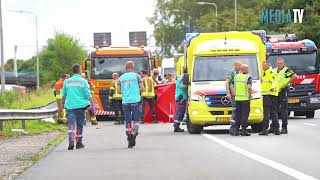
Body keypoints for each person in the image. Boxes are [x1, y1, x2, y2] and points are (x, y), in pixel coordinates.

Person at [62, 64, 92, 150]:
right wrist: (91, 104)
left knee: (71, 124)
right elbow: (88, 94)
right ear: (80, 71)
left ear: (73, 71)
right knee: (79, 124)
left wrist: (63, 104)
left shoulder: (67, 81)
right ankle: (78, 143)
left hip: (70, 106)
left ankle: (71, 140)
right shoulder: (83, 81)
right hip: (80, 106)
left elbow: (63, 94)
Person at [118, 61, 144, 148]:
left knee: (128, 121)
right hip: (135, 101)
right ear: (133, 67)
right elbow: (142, 89)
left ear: (126, 68)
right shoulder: (137, 76)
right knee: (136, 120)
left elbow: (118, 91)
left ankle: (129, 137)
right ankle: (134, 132)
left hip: (125, 102)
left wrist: (126, 93)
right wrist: (136, 92)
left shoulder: (121, 78)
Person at [268, 58, 297, 134]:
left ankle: (284, 128)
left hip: (282, 92)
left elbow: (294, 76)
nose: (279, 65)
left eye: (280, 63)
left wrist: (286, 85)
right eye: (278, 63)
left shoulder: (286, 70)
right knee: (274, 110)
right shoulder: (274, 70)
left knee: (283, 110)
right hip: (275, 92)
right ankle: (273, 127)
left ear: (283, 64)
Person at [259, 60, 280, 136]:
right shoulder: (266, 72)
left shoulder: (270, 72)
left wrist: (272, 87)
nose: (263, 66)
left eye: (264, 65)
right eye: (262, 65)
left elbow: (274, 81)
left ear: (268, 65)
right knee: (273, 112)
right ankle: (277, 129)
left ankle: (265, 129)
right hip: (271, 95)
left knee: (267, 113)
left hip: (269, 95)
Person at [232, 64, 252, 136]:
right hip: (245, 99)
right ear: (245, 70)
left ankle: (236, 131)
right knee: (245, 115)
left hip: (237, 99)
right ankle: (244, 131)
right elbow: (249, 88)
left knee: (237, 115)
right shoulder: (248, 77)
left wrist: (234, 95)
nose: (248, 70)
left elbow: (233, 86)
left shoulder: (236, 76)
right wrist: (250, 96)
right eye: (247, 68)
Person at [225, 61, 242, 135]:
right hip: (234, 96)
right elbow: (227, 83)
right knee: (235, 111)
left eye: (240, 65)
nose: (240, 66)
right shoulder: (232, 73)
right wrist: (228, 93)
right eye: (238, 65)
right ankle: (232, 128)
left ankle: (237, 128)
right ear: (235, 65)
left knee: (239, 112)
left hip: (240, 96)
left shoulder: (241, 73)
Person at [173, 68, 189, 132]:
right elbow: (183, 87)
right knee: (180, 112)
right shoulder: (185, 77)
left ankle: (176, 125)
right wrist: (189, 84)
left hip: (180, 96)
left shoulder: (180, 76)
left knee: (180, 112)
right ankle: (176, 126)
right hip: (181, 97)